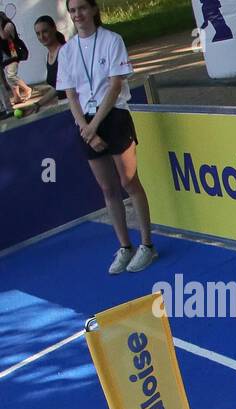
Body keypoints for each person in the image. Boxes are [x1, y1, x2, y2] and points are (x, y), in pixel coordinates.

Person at [56, 0, 157, 274]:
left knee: (128, 181)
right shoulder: (67, 51)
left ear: (94, 10)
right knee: (107, 189)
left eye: (82, 8)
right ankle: (125, 246)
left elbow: (115, 85)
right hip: (86, 123)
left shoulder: (112, 40)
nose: (78, 15)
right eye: (73, 10)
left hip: (114, 117)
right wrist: (85, 128)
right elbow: (70, 94)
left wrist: (95, 124)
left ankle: (147, 244)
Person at [0, 10, 34, 109]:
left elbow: (4, 36)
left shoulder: (8, 25)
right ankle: (17, 97)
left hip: (13, 54)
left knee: (11, 75)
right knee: (9, 78)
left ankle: (27, 89)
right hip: (5, 57)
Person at [35, 15, 67, 100]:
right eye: (38, 34)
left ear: (54, 29)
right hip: (63, 104)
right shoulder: (48, 56)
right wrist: (37, 104)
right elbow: (57, 88)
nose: (41, 37)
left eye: (45, 31)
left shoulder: (65, 52)